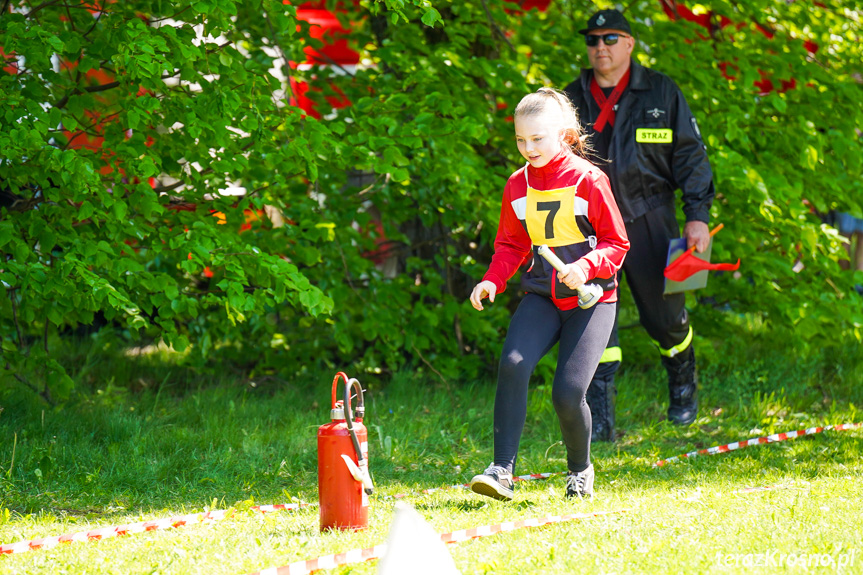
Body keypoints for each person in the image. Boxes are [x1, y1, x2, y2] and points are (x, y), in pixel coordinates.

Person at [468, 88, 629, 500]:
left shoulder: (589, 179)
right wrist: (492, 279)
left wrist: (585, 266)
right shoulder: (517, 185)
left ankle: (580, 470)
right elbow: (511, 245)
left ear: (565, 134)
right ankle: (501, 470)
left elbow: (616, 243)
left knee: (568, 393)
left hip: (590, 300)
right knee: (514, 362)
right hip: (542, 295)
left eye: (538, 138)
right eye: (521, 139)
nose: (528, 148)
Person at [563, 9, 715, 441]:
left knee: (667, 317)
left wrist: (698, 217)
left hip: (651, 216)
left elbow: (690, 158)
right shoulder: (571, 99)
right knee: (595, 323)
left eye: (610, 39)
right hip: (589, 225)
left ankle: (683, 390)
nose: (600, 48)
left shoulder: (662, 92)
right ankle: (602, 425)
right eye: (593, 40)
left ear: (629, 43)